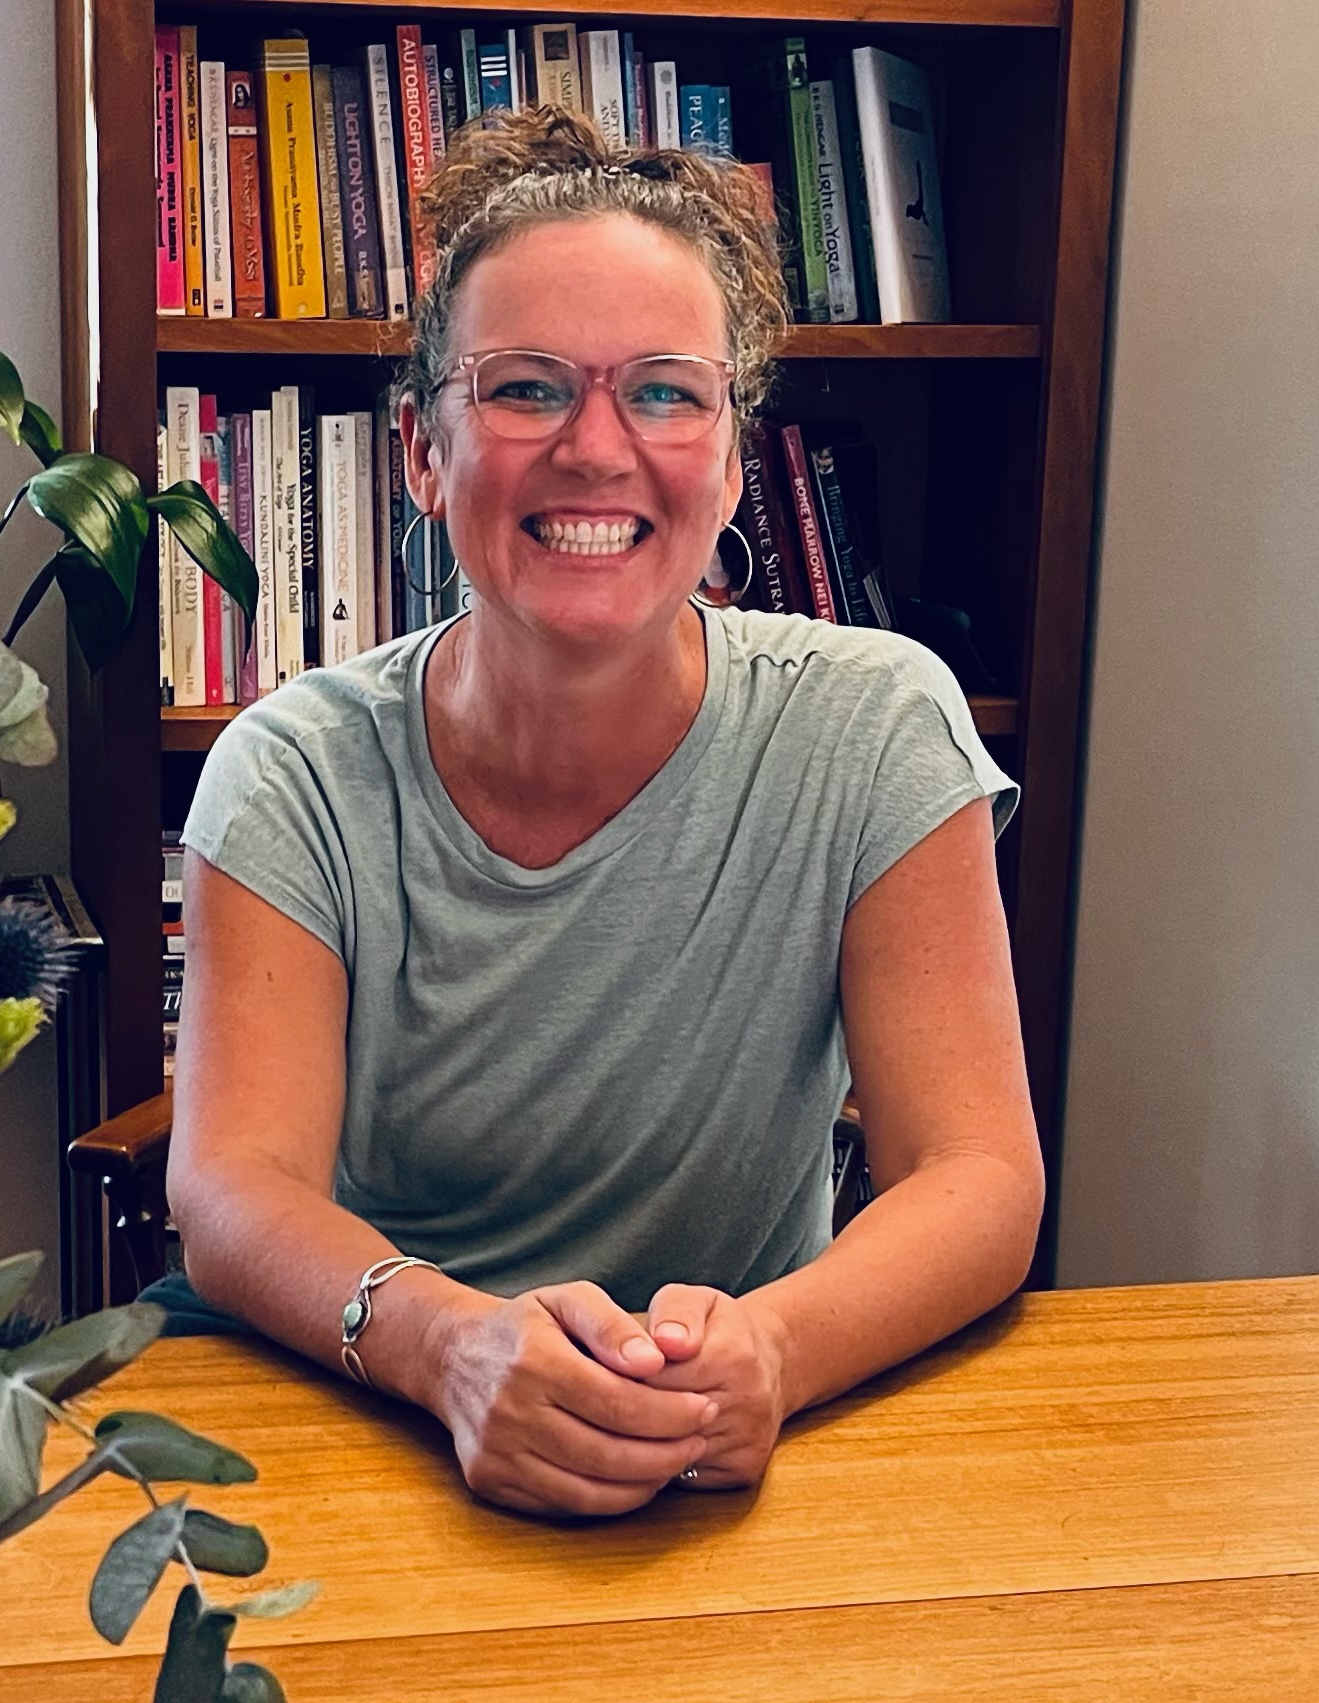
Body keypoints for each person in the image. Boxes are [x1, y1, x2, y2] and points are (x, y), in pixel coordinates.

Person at [163, 108, 1043, 1519]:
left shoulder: (878, 729)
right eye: (524, 389)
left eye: (665, 393)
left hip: (737, 1454)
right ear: (422, 452)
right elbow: (231, 1190)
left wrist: (774, 1349)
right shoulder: (292, 771)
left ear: (736, 455)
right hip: (368, 1444)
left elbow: (982, 1174)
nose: (595, 448)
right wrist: (447, 1345)